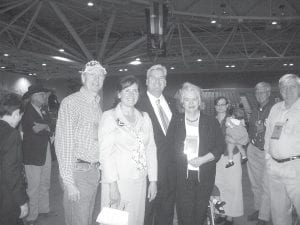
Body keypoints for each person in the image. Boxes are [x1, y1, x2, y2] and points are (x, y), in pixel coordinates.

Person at [98, 75, 157, 225]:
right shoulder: (109, 116)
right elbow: (106, 154)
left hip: (139, 180)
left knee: (136, 219)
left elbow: (151, 149)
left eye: (135, 91)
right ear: (119, 94)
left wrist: (153, 180)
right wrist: (112, 185)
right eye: (127, 90)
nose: (131, 94)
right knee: (116, 221)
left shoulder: (145, 117)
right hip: (118, 181)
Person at [55, 60, 106, 225]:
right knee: (79, 220)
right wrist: (69, 182)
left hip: (93, 171)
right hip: (78, 172)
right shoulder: (71, 103)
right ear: (83, 77)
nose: (97, 79)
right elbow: (64, 144)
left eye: (100, 76)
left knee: (87, 219)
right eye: (92, 74)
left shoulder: (96, 105)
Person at [167, 82, 224, 225]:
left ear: (199, 101)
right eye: (187, 99)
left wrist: (203, 159)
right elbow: (169, 148)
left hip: (204, 175)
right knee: (184, 213)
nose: (191, 103)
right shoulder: (176, 121)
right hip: (182, 176)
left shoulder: (211, 122)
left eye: (194, 99)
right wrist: (182, 158)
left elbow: (219, 147)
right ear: (182, 102)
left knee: (200, 214)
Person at [136, 64, 176, 225]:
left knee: (166, 213)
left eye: (161, 78)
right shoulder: (136, 104)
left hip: (171, 171)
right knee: (145, 213)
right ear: (146, 81)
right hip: (146, 171)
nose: (157, 81)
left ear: (165, 83)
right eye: (153, 78)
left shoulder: (174, 103)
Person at [264, 74, 300, 225]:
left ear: (299, 88)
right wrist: (268, 159)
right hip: (274, 168)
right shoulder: (275, 108)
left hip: (295, 167)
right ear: (280, 90)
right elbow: (269, 135)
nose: (288, 90)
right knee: (279, 214)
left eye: (292, 86)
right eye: (284, 87)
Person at [21, 84, 54, 225]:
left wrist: (45, 126)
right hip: (33, 153)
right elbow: (35, 129)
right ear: (33, 97)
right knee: (33, 186)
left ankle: (44, 209)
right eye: (41, 94)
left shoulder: (44, 110)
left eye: (44, 94)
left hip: (45, 149)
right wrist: (46, 126)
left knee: (45, 182)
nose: (44, 97)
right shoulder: (26, 111)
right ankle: (32, 216)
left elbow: (50, 125)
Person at [214, 96, 244, 225]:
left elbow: (241, 136)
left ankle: (231, 216)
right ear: (215, 107)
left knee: (233, 186)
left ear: (227, 106)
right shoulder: (212, 120)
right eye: (218, 104)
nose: (220, 107)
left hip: (231, 156)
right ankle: (221, 213)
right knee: (218, 186)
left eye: (223, 104)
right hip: (216, 158)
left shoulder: (233, 120)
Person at [0, 92, 28, 225]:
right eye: (20, 116)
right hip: (7, 198)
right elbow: (12, 171)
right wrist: (21, 201)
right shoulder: (12, 134)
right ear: (16, 113)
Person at [247, 82, 273, 225]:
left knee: (266, 184)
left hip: (267, 150)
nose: (259, 94)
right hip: (253, 148)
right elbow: (250, 127)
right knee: (255, 183)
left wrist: (266, 129)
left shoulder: (275, 109)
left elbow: (278, 129)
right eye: (257, 92)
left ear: (269, 93)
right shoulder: (255, 109)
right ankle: (258, 209)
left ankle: (263, 216)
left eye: (262, 92)